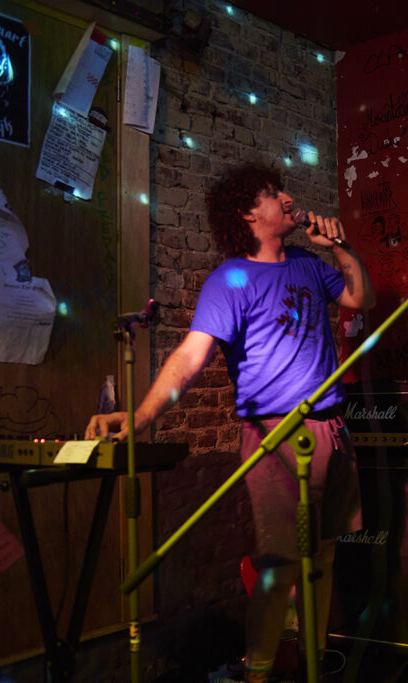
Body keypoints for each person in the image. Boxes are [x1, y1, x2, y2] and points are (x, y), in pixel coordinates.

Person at [85, 162, 375, 683]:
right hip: (275, 436)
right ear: (247, 212)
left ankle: (310, 666)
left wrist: (339, 247)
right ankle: (258, 673)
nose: (287, 198)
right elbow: (190, 357)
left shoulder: (308, 263)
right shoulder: (229, 280)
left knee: (324, 558)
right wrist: (142, 415)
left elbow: (360, 298)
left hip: (332, 427)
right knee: (280, 566)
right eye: (273, 193)